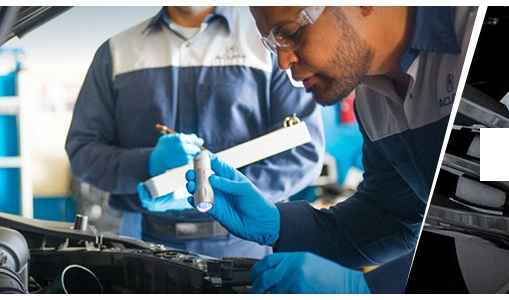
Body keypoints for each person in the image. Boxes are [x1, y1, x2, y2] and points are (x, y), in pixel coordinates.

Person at [186, 6, 474, 293]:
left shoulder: (475, 32)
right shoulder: (371, 98)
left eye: (292, 32)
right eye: (274, 45)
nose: (283, 62)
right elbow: (392, 216)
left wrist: (371, 288)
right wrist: (280, 226)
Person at [66, 6, 324, 259]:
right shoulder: (116, 52)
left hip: (244, 242)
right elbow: (83, 150)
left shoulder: (269, 43)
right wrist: (147, 164)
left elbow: (303, 149)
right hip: (142, 243)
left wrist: (221, 193)